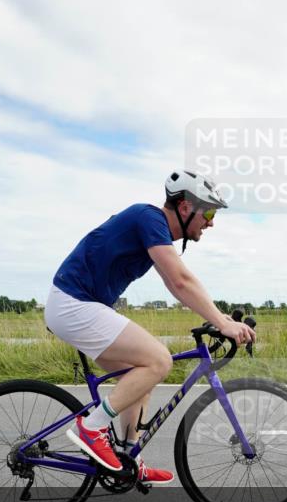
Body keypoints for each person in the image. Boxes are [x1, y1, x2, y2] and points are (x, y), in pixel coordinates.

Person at [45, 170, 256, 484]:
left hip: (80, 305)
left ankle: (129, 457)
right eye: (208, 212)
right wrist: (220, 323)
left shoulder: (155, 232)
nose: (211, 222)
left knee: (140, 372)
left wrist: (222, 319)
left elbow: (176, 284)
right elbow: (181, 281)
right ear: (185, 208)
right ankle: (91, 428)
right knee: (160, 360)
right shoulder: (149, 219)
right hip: (73, 303)